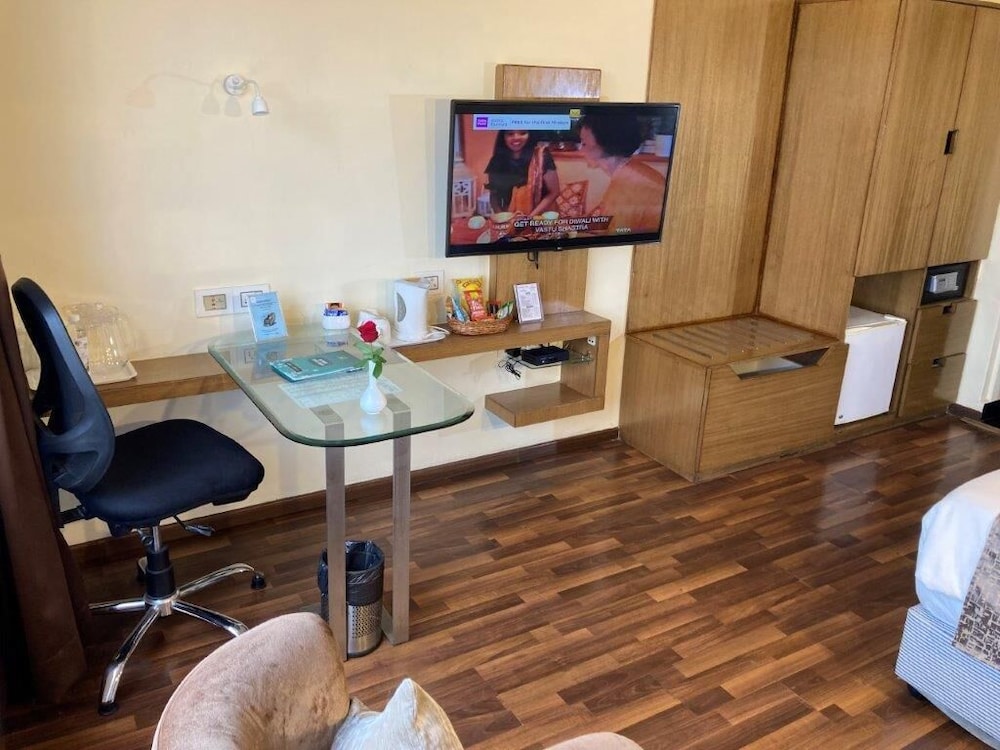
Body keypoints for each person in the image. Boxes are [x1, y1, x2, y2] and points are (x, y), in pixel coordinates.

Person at [577, 114, 667, 234]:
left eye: (584, 143)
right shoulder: (630, 170)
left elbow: (616, 235)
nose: (580, 151)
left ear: (606, 143)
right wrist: (576, 224)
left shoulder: (626, 188)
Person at [484, 130, 560, 216]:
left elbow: (554, 192)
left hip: (540, 217)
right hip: (510, 217)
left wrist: (529, 218)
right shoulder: (496, 161)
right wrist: (502, 217)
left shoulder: (541, 156)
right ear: (503, 137)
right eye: (510, 134)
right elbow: (493, 195)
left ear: (530, 135)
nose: (516, 138)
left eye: (523, 133)